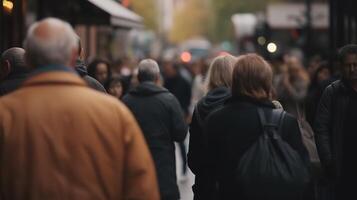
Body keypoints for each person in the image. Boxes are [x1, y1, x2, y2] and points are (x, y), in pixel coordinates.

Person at [0, 18, 159, 200]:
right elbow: (141, 186)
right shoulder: (114, 113)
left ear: (28, 58)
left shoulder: (5, 113)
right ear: (76, 54)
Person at [205, 54, 309, 199]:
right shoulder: (284, 121)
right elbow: (302, 171)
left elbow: (208, 172)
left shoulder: (215, 120)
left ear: (235, 82)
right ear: (266, 83)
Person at [123, 59, 187, 200]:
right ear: (158, 77)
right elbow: (181, 133)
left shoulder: (126, 101)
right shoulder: (169, 100)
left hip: (134, 170)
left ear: (138, 77)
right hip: (163, 170)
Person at [188, 55, 236, 200]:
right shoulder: (238, 104)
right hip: (232, 185)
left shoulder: (200, 107)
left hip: (205, 185)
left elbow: (193, 157)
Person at [314, 44, 357, 199]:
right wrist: (328, 160)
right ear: (341, 67)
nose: (352, 69)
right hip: (341, 163)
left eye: (355, 65)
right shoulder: (332, 92)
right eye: (348, 65)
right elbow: (321, 128)